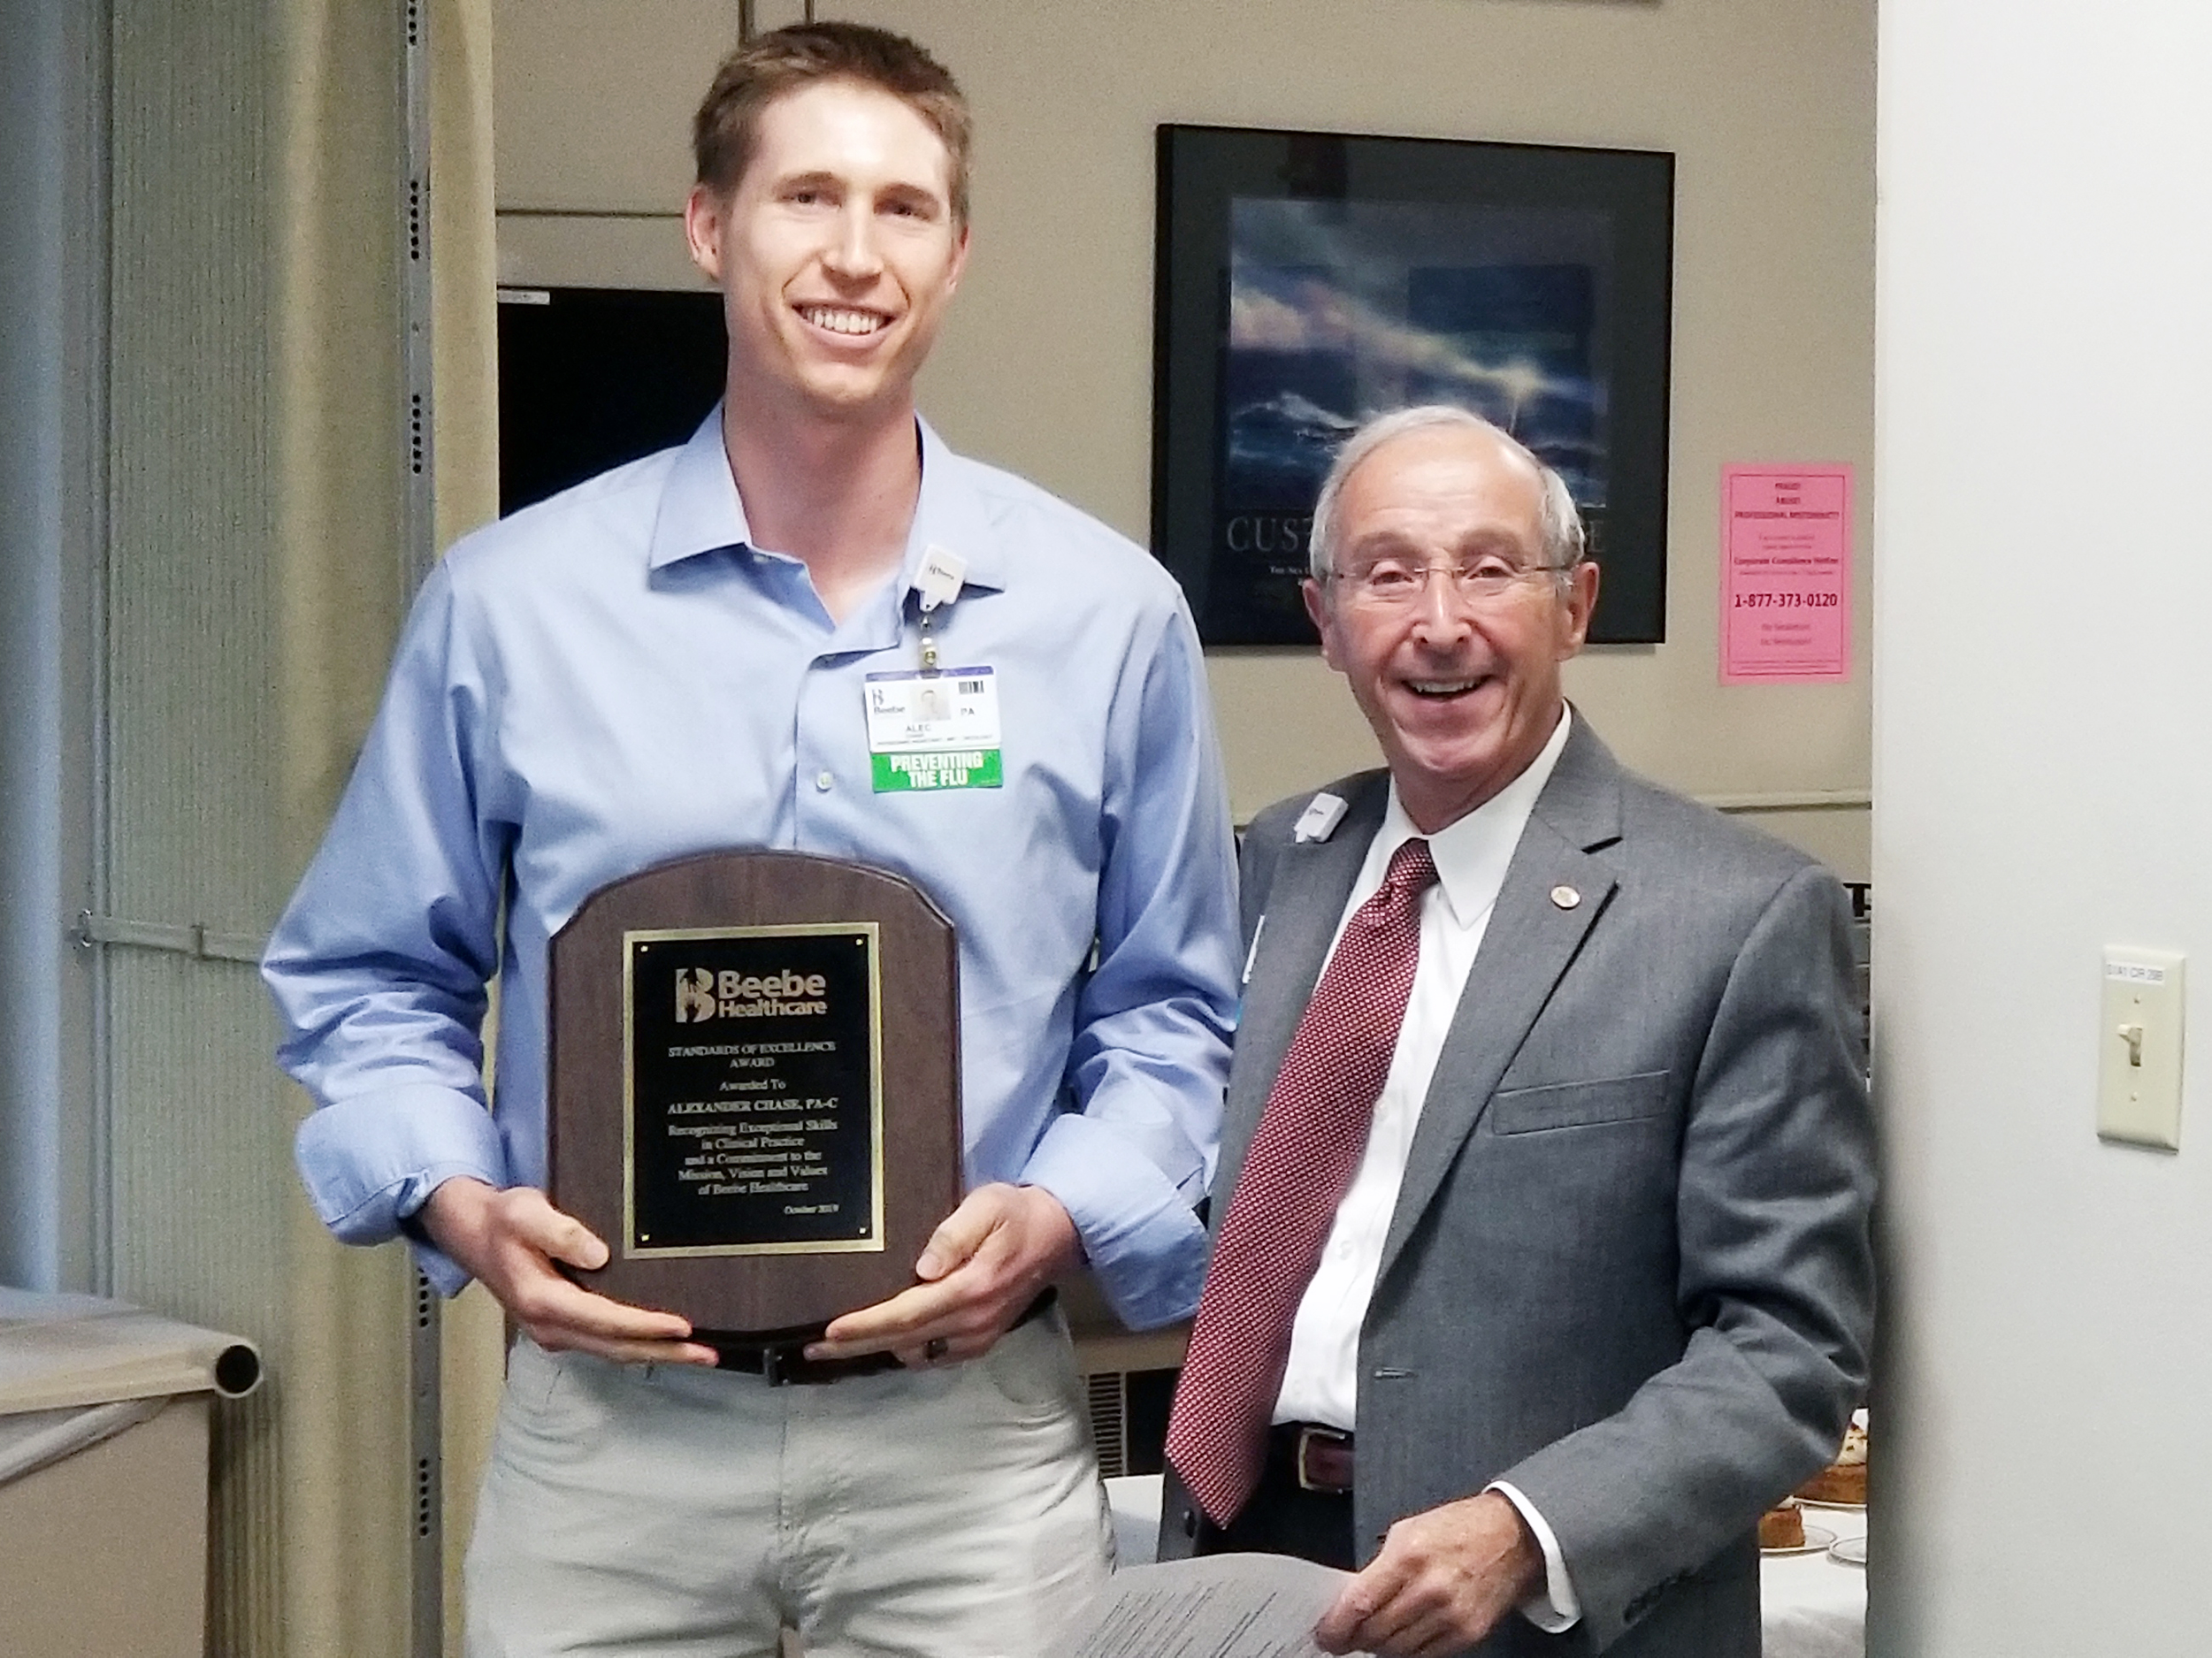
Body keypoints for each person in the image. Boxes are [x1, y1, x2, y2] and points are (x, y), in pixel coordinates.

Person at [263, 22, 1239, 1658]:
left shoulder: (1106, 616)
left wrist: (1066, 1209)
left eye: (905, 208)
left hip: (967, 1446)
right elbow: (367, 973)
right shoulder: (512, 605)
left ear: (957, 253)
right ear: (710, 228)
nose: (855, 255)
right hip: (611, 1445)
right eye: (806, 197)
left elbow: (1175, 1008)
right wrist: (454, 1198)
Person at [1156, 405, 1874, 1658]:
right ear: (1326, 621)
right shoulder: (1284, 855)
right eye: (1386, 575)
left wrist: (1527, 1528)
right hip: (1247, 1551)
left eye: (1489, 569)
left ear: (1575, 605)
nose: (1439, 623)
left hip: (1539, 1610)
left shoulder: (1739, 913)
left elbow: (1788, 1347)